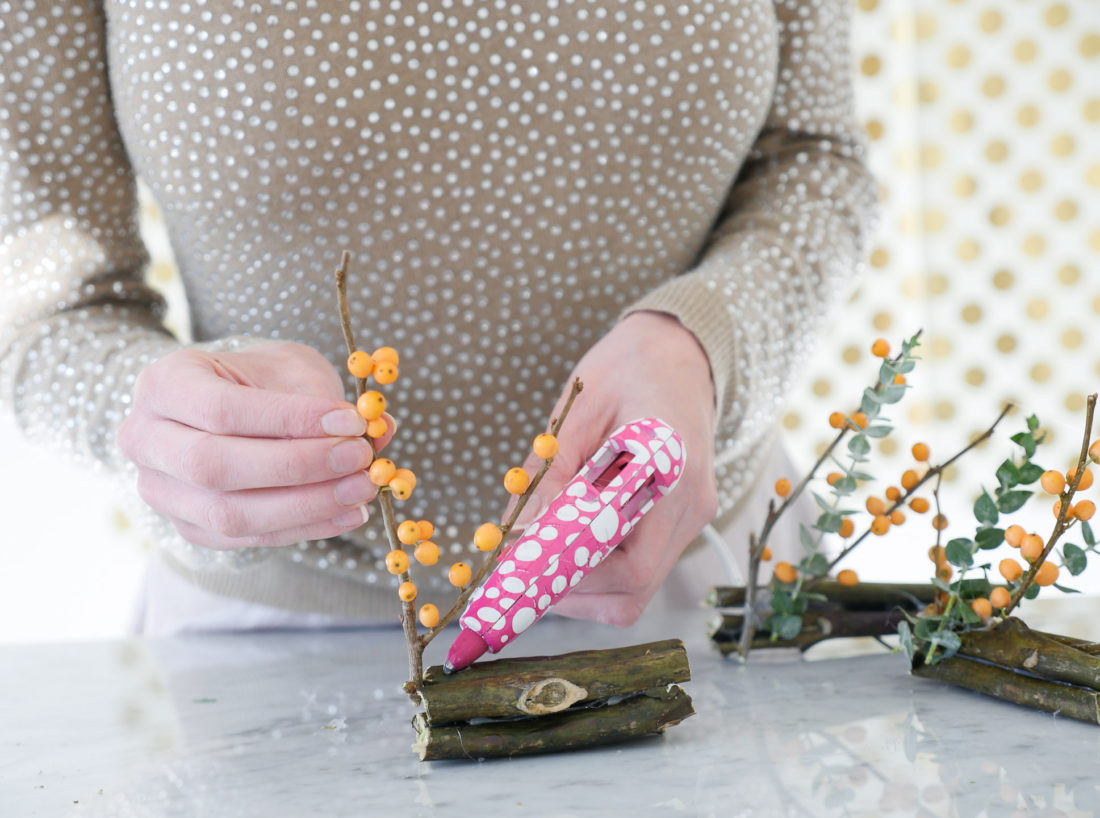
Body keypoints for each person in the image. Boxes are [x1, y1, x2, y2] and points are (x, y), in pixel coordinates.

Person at [0, 0, 876, 636]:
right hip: (274, 639)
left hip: (704, 590)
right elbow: (47, 305)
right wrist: (159, 422)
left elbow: (817, 162)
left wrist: (702, 341)